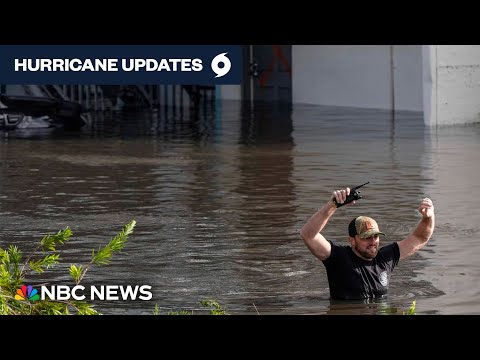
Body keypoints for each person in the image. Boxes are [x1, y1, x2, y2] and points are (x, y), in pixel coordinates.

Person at [300, 186, 435, 300]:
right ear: (352, 241)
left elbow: (419, 238)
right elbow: (308, 235)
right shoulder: (339, 258)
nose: (373, 242)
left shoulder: (386, 258)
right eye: (366, 237)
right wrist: (332, 205)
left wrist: (428, 217)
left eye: (375, 236)